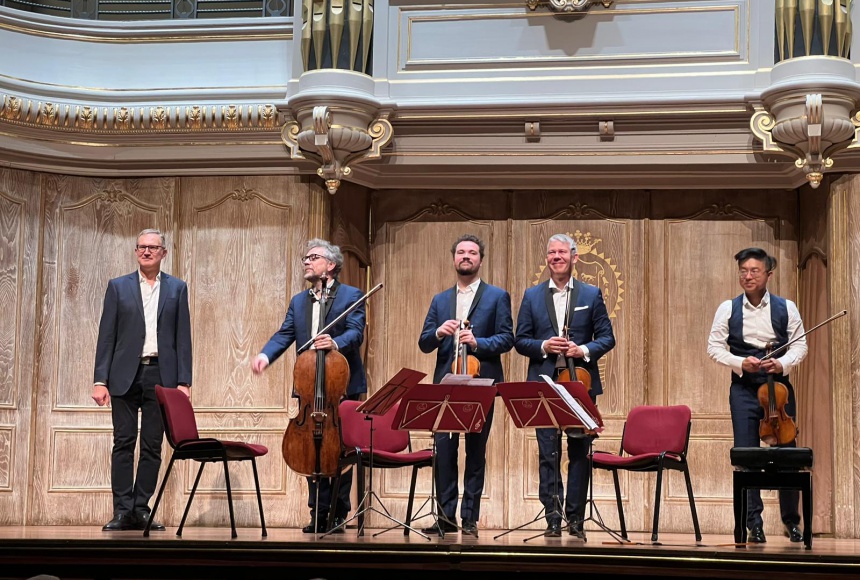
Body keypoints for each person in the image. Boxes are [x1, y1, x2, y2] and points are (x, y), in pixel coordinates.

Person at [252, 238, 367, 533]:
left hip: (340, 385)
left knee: (339, 449)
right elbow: (285, 334)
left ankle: (338, 513)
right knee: (311, 446)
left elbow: (355, 333)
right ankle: (317, 511)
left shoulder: (351, 295)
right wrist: (266, 355)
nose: (306, 261)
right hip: (308, 387)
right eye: (305, 258)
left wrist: (335, 342)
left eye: (313, 257)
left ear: (330, 265)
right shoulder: (299, 301)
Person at [514, 233, 616, 538]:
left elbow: (607, 338)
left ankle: (575, 518)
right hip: (544, 386)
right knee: (548, 453)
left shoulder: (591, 294)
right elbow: (520, 340)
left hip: (579, 384)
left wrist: (581, 350)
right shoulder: (532, 296)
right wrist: (545, 345)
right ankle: (553, 517)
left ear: (574, 257)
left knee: (579, 452)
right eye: (551, 253)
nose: (556, 257)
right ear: (547, 259)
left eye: (562, 252)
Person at [92, 228, 192, 532]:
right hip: (124, 375)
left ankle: (141, 509)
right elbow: (106, 336)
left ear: (163, 252)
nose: (146, 252)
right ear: (136, 252)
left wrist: (184, 381)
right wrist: (100, 379)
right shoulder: (118, 287)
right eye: (141, 247)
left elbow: (182, 338)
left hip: (161, 374)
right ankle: (122, 510)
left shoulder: (177, 288)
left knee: (151, 445)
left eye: (152, 248)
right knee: (123, 442)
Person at [707, 247, 807, 544]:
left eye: (754, 271)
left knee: (788, 455)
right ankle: (754, 523)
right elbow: (714, 347)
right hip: (745, 389)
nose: (747, 276)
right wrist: (741, 363)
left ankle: (792, 521)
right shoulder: (727, 308)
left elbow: (800, 346)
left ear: (768, 275)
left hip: (779, 388)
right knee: (747, 456)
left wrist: (783, 362)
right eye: (743, 271)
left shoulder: (786, 307)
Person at [418, 234, 514, 537]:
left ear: (480, 260)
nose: (466, 257)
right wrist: (438, 333)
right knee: (444, 451)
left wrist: (478, 342)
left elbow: (507, 338)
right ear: (453, 258)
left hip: (481, 382)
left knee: (475, 450)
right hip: (446, 383)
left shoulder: (497, 296)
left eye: (472, 253)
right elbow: (423, 343)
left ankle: (469, 517)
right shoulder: (440, 299)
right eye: (461, 252)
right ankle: (446, 517)